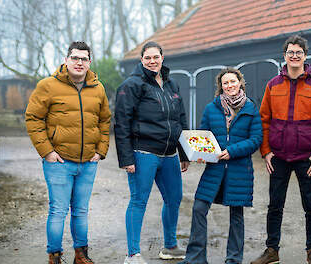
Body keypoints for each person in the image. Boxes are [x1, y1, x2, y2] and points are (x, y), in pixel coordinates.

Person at [25, 41, 111, 264]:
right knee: (58, 211)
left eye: (84, 59)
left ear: (89, 62)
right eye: (75, 58)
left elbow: (105, 120)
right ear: (66, 60)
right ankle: (54, 256)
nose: (79, 62)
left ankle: (81, 255)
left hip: (88, 162)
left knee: (81, 211)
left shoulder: (98, 88)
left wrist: (100, 151)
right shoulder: (48, 85)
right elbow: (33, 118)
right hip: (59, 162)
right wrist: (47, 152)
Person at [251, 35, 311, 264]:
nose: (294, 56)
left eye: (299, 52)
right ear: (284, 56)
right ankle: (272, 251)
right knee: (275, 204)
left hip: (307, 158)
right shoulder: (273, 85)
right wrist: (266, 151)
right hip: (278, 156)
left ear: (305, 56)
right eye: (290, 52)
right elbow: (264, 120)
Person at [114, 41, 190, 264]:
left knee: (174, 199)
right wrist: (126, 159)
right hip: (143, 153)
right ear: (141, 60)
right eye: (147, 58)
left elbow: (180, 119)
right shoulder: (131, 85)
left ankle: (170, 246)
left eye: (156, 57)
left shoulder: (172, 84)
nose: (152, 61)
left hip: (169, 155)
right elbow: (121, 123)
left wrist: (184, 153)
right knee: (139, 201)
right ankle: (133, 255)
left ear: (162, 58)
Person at [179, 68, 263, 264]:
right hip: (215, 169)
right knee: (199, 208)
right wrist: (200, 152)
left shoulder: (250, 109)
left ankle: (233, 260)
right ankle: (196, 258)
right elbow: (203, 136)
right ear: (221, 86)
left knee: (236, 215)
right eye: (225, 83)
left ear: (240, 82)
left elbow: (256, 139)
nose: (230, 85)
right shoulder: (211, 108)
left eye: (233, 81)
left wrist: (232, 151)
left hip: (239, 170)